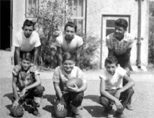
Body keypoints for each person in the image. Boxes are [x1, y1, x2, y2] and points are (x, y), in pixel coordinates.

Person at [106, 18, 134, 110]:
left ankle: (128, 101)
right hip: (114, 56)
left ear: (125, 30)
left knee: (126, 76)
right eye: (115, 28)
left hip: (124, 58)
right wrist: (110, 66)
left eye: (120, 29)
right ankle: (109, 99)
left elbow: (128, 54)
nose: (117, 31)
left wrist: (125, 67)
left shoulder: (130, 38)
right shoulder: (109, 38)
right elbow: (110, 53)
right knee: (110, 75)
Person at [52, 52, 87, 118]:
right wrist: (62, 99)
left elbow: (85, 85)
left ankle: (75, 110)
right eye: (65, 64)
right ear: (62, 63)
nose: (68, 66)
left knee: (79, 94)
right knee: (59, 115)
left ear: (74, 63)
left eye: (70, 64)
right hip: (62, 94)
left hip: (73, 93)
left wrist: (78, 90)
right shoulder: (58, 69)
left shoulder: (77, 70)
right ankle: (65, 104)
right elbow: (56, 85)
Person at [11, 52, 45, 117]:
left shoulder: (33, 67)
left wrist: (26, 88)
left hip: (30, 90)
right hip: (20, 93)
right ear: (20, 61)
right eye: (24, 62)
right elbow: (13, 84)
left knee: (40, 88)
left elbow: (38, 81)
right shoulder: (16, 68)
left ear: (31, 63)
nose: (25, 65)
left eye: (28, 63)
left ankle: (34, 104)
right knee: (17, 113)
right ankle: (23, 102)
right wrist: (17, 99)